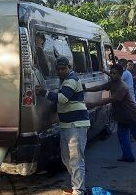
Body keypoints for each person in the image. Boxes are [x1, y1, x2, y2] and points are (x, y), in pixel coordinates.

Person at [35, 56, 90, 195]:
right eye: (58, 69)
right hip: (66, 125)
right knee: (66, 158)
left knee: (76, 159)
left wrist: (43, 92)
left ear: (69, 67)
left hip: (76, 124)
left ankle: (79, 190)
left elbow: (62, 99)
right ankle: (78, 185)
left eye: (63, 68)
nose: (60, 71)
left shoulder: (72, 79)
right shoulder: (64, 81)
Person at [85, 64, 136, 162]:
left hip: (131, 114)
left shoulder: (122, 86)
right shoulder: (112, 83)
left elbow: (111, 99)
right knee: (122, 136)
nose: (112, 75)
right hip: (121, 115)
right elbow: (100, 87)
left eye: (114, 73)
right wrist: (86, 89)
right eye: (111, 73)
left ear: (120, 74)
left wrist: (94, 104)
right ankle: (128, 156)